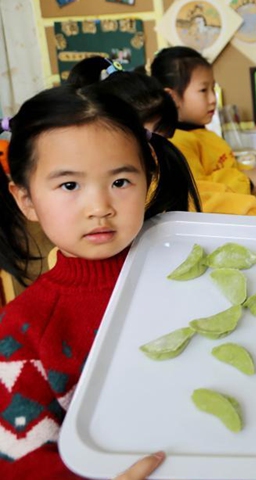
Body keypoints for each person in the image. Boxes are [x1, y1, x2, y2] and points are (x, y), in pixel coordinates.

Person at [0, 85, 200, 478]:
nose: (100, 208)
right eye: (70, 185)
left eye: (120, 182)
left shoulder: (187, 266)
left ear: (148, 178)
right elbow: (22, 464)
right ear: (25, 199)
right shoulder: (23, 329)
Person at [93, 70, 256, 219]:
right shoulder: (128, 184)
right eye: (153, 137)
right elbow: (192, 202)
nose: (163, 148)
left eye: (166, 137)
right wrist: (255, 210)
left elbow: (198, 189)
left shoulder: (155, 167)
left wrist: (249, 197)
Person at [151, 47, 256, 217]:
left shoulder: (205, 134)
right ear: (172, 98)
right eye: (203, 90)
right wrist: (246, 181)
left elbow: (229, 166)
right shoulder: (177, 142)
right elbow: (198, 191)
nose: (213, 99)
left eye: (213, 89)